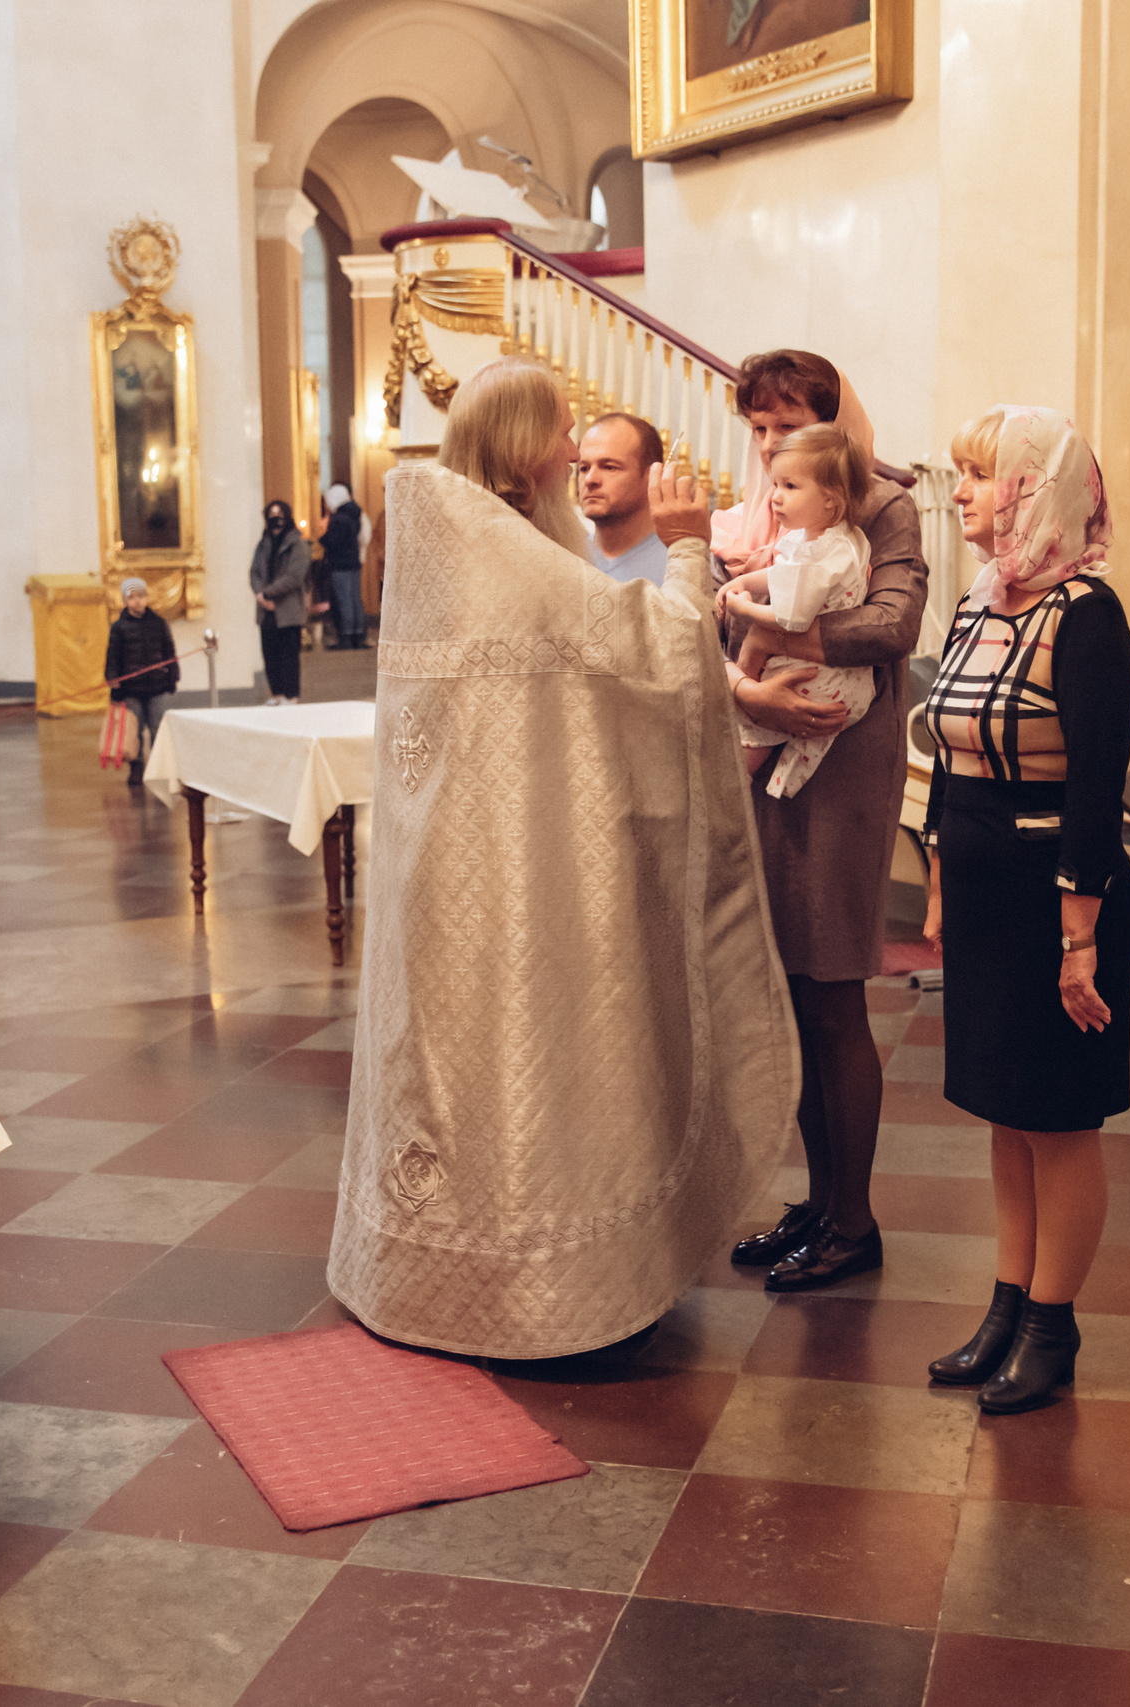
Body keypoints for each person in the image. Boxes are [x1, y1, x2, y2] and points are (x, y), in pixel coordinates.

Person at [328, 356, 798, 1357]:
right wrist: (684, 549)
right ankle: (527, 1281)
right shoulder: (510, 553)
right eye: (556, 432)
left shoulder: (442, 541)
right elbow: (661, 650)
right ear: (518, 449)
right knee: (522, 1066)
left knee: (455, 1064)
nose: (565, 453)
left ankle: (421, 1260)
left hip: (443, 883)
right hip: (513, 891)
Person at [918, 406, 1130, 1414]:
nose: (960, 493)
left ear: (1032, 490)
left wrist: (1080, 934)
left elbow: (1094, 788)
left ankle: (1053, 1328)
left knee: (1058, 1118)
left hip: (1056, 894)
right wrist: (934, 876)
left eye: (979, 475)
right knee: (1006, 1115)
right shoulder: (980, 600)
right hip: (980, 889)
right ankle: (1007, 1306)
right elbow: (952, 757)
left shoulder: (1086, 614)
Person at [701, 350, 927, 1293]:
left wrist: (777, 632)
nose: (767, 448)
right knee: (791, 986)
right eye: (756, 429)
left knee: (834, 986)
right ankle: (820, 1198)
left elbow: (894, 625)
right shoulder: (768, 508)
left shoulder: (881, 503)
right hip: (772, 749)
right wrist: (751, 668)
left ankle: (856, 1219)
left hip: (842, 754)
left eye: (785, 427)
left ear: (828, 419)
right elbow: (716, 630)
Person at [727, 422, 875, 795]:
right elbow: (782, 576)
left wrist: (741, 608)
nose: (775, 496)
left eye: (790, 487)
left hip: (817, 680)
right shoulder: (828, 537)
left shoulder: (822, 556)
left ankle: (733, 791)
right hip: (837, 674)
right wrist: (743, 582)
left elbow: (788, 618)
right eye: (775, 484)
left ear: (831, 498)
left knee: (741, 746)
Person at [577, 412, 671, 585]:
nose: (590, 479)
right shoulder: (567, 554)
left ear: (652, 476)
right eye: (584, 468)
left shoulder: (676, 566)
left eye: (609, 467)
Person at [104, 575, 179, 787]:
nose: (137, 601)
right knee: (133, 731)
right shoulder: (118, 628)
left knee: (157, 727)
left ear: (146, 598)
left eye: (140, 596)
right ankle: (136, 767)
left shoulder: (158, 623)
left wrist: (172, 676)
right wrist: (114, 682)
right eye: (132, 597)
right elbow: (112, 657)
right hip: (132, 689)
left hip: (156, 686)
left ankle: (157, 766)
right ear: (125, 601)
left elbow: (169, 652)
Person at [251, 499, 309, 703]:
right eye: (272, 517)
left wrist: (268, 594)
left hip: (287, 609)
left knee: (288, 656)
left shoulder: (298, 545)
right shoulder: (263, 543)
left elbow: (294, 576)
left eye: (280, 517)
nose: (276, 521)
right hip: (266, 610)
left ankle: (291, 695)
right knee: (270, 654)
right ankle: (275, 693)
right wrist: (260, 594)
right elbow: (255, 571)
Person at [321, 483, 370, 648]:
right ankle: (358, 635)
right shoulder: (354, 515)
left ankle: (346, 637)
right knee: (355, 599)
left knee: (344, 600)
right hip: (353, 562)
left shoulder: (339, 518)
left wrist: (323, 539)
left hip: (340, 564)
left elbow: (335, 541)